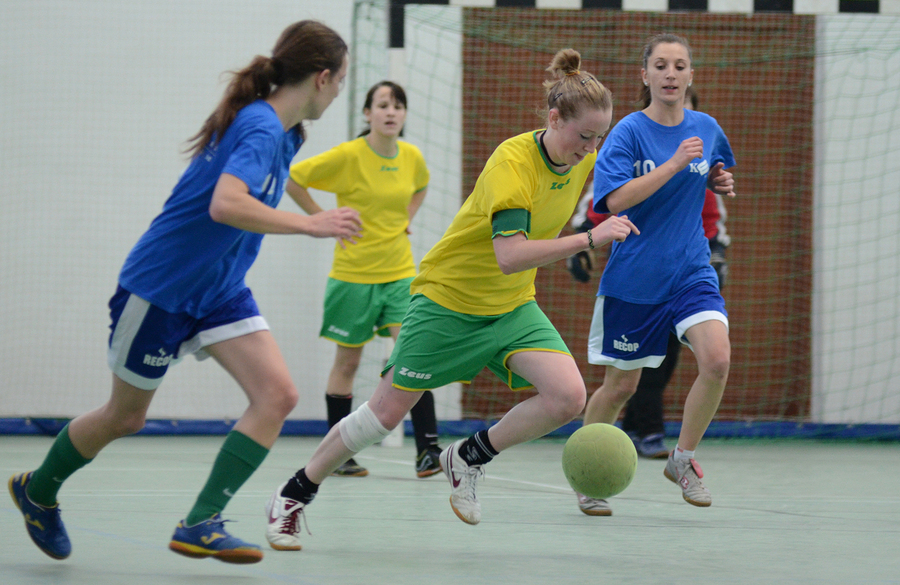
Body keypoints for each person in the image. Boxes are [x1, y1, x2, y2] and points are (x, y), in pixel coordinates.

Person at [8, 20, 361, 565]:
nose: (338, 92)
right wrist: (310, 225)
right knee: (125, 417)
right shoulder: (261, 127)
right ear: (321, 77)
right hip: (161, 289)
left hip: (219, 291)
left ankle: (201, 522)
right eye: (340, 81)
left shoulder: (288, 135)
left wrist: (311, 219)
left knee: (277, 396)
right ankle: (39, 490)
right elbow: (226, 204)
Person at [263, 48, 638, 551]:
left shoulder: (580, 159)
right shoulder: (512, 163)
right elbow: (510, 255)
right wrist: (589, 239)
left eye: (600, 137)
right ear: (554, 119)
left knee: (568, 397)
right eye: (585, 136)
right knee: (384, 414)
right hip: (449, 301)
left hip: (510, 306)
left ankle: (468, 457)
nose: (592, 148)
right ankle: (293, 493)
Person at [577, 33, 735, 517]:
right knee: (620, 387)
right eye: (661, 65)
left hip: (691, 269)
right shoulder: (628, 131)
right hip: (636, 278)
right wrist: (674, 164)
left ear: (691, 75)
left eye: (680, 65)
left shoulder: (707, 128)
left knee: (717, 360)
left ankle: (682, 459)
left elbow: (714, 169)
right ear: (644, 75)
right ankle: (586, 474)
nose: (670, 74)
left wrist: (718, 179)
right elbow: (613, 201)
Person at [286, 80, 442, 479]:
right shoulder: (348, 155)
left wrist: (406, 217)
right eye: (383, 105)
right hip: (353, 276)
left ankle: (428, 450)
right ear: (368, 113)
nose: (391, 112)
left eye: (398, 105)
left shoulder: (411, 157)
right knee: (348, 361)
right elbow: (293, 178)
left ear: (404, 115)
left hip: (400, 273)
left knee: (413, 353)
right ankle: (339, 455)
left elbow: (421, 186)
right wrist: (322, 219)